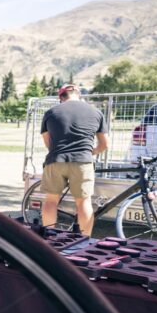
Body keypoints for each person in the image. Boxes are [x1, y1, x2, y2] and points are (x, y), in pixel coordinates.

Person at [40, 84, 108, 233]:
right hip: (83, 161)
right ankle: (84, 240)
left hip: (56, 160)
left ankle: (48, 237)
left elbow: (47, 142)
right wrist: (90, 152)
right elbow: (104, 144)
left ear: (61, 97)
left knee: (51, 200)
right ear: (78, 94)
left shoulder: (51, 112)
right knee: (83, 202)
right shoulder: (96, 112)